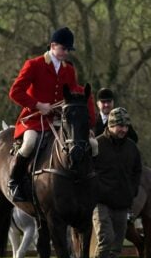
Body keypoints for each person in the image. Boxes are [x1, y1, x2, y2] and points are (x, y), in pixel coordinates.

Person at [7, 26, 96, 202]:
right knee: (29, 143)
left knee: (86, 143)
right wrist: (38, 105)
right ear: (53, 45)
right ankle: (14, 181)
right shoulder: (33, 65)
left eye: (68, 50)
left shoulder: (68, 69)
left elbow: (72, 92)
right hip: (34, 119)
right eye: (64, 49)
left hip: (57, 119)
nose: (66, 53)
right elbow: (15, 92)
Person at [92, 107, 142, 258]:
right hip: (101, 202)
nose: (123, 129)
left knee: (116, 247)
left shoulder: (131, 147)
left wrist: (133, 191)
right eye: (119, 126)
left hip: (122, 203)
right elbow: (88, 170)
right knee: (106, 240)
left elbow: (137, 171)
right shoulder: (98, 144)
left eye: (126, 126)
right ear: (110, 125)